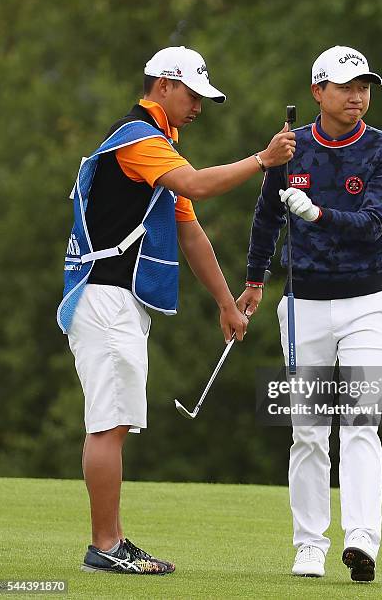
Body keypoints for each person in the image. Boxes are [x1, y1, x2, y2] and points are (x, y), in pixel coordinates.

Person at [56, 46, 295, 575]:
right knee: (107, 424)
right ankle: (104, 547)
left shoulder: (158, 145)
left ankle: (114, 540)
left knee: (112, 423)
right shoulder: (140, 139)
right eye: (192, 94)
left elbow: (189, 230)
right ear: (163, 85)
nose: (199, 106)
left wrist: (226, 301)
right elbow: (198, 186)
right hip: (105, 295)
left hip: (115, 298)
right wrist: (263, 160)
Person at [237, 45, 382, 582]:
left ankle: (361, 540)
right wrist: (254, 279)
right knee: (307, 429)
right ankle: (310, 543)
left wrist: (317, 213)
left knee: (361, 422)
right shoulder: (290, 149)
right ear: (318, 92)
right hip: (303, 305)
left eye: (364, 86)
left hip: (366, 305)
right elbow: (266, 218)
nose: (358, 96)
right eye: (345, 86)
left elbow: (374, 221)